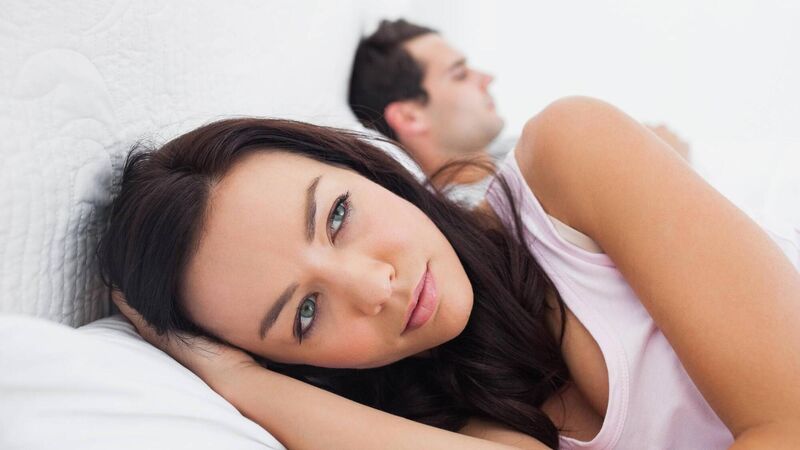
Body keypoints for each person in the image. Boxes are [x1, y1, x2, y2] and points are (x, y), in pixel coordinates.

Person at [99, 97, 800, 449]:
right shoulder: (459, 416)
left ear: (366, 169)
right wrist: (238, 383)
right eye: (305, 314)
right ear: (295, 365)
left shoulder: (571, 153)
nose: (376, 288)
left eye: (338, 216)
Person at [348, 19, 691, 207]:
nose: (487, 78)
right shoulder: (474, 217)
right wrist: (661, 164)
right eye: (460, 74)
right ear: (410, 117)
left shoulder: (514, 150)